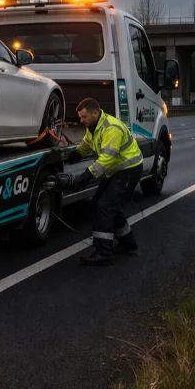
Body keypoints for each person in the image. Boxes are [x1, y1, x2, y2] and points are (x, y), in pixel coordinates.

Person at [66, 98, 143, 266]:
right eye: (80, 117)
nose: (81, 121)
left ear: (95, 112)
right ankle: (128, 242)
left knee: (106, 206)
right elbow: (87, 144)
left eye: (84, 117)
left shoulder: (111, 128)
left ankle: (103, 253)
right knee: (100, 204)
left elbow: (107, 158)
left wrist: (86, 175)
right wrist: (75, 155)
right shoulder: (93, 127)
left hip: (128, 170)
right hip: (116, 171)